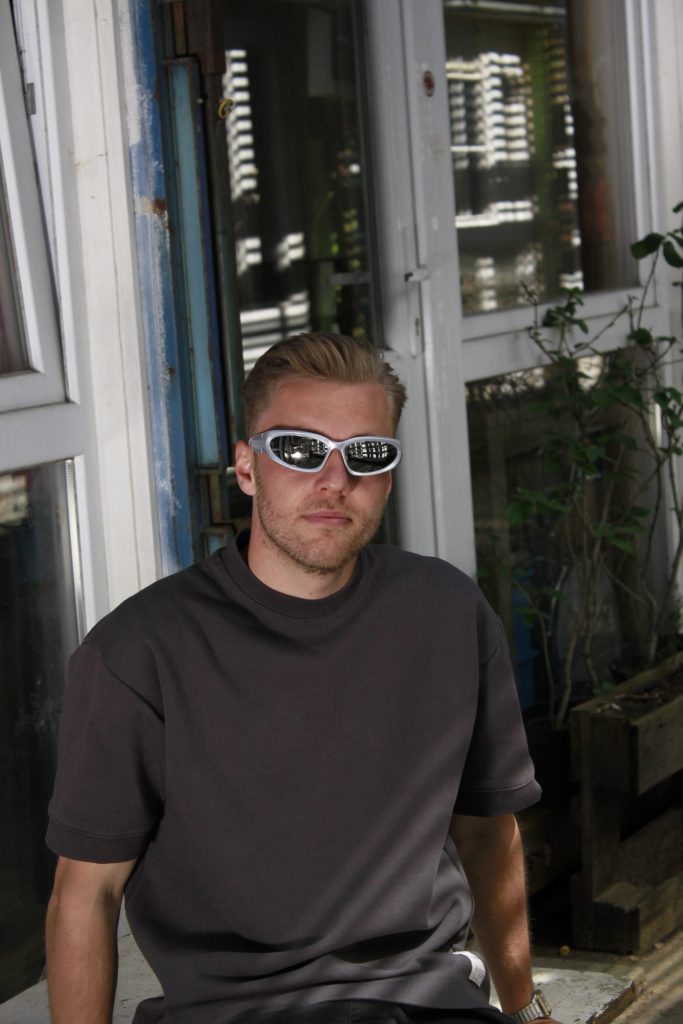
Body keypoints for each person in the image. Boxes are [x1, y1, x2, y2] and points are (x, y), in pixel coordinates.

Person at [45, 332, 561, 1024]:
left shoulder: (446, 613)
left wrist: (524, 1010)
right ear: (246, 467)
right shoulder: (138, 652)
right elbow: (86, 893)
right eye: (299, 449)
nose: (334, 481)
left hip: (424, 1006)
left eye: (365, 455)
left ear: (387, 476)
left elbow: (487, 832)